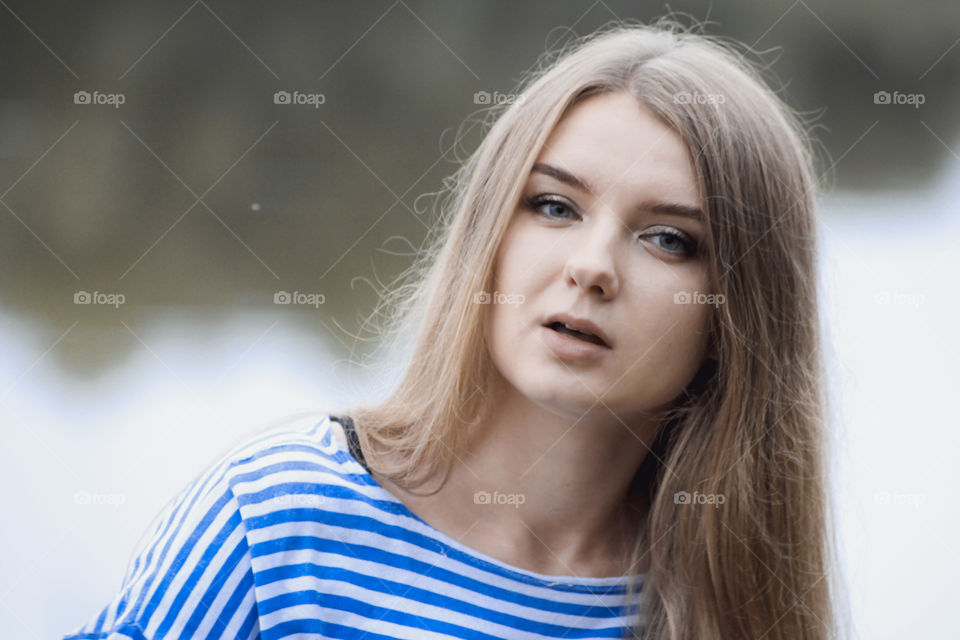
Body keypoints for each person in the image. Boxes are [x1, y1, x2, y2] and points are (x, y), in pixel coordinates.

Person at [63, 18, 840, 640]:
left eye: (669, 239)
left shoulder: (725, 604)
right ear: (488, 235)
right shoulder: (276, 522)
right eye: (555, 206)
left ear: (739, 318)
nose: (593, 266)